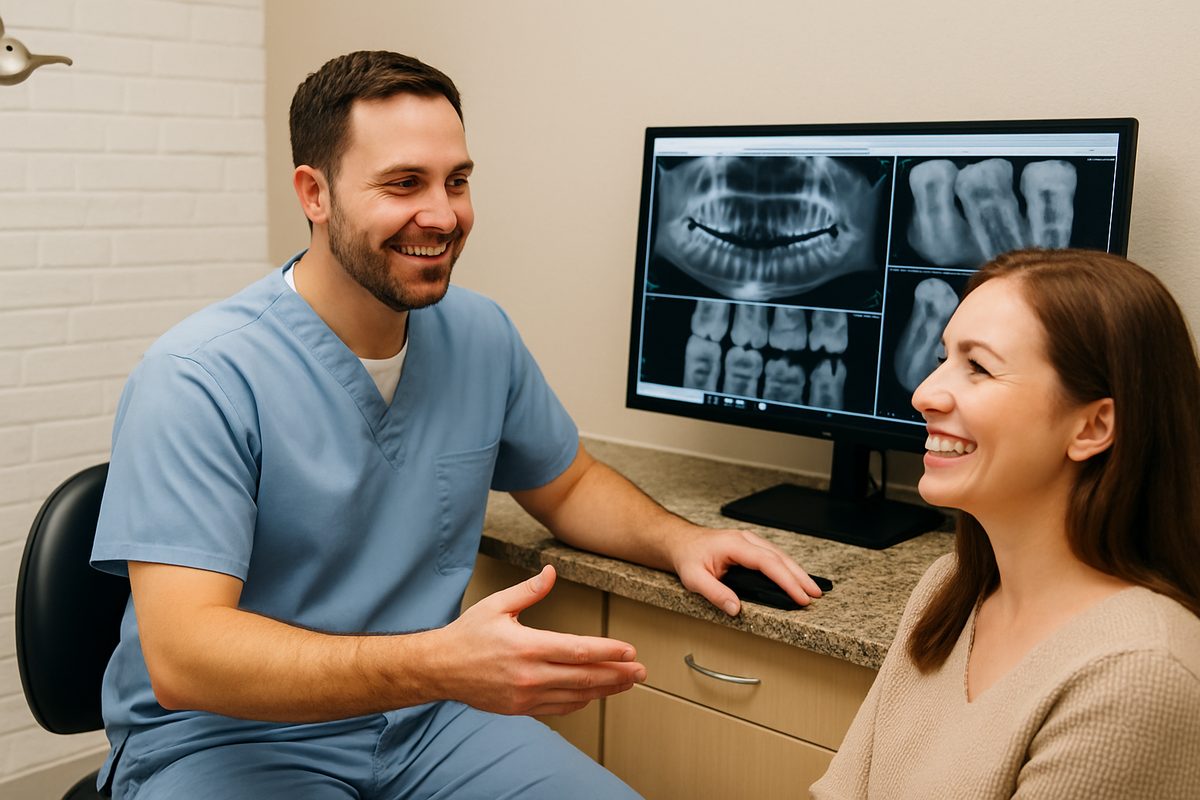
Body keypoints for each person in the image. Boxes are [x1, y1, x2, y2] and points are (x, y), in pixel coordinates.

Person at [89, 50, 823, 799]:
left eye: (458, 181)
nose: (443, 215)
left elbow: (565, 484)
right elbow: (186, 660)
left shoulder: (478, 333)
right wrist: (438, 662)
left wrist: (681, 541)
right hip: (231, 736)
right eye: (404, 183)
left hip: (425, 720)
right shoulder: (198, 377)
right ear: (315, 193)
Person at [811, 248, 1200, 798]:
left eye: (978, 367)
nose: (923, 394)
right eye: (943, 358)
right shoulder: (948, 591)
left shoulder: (1138, 674)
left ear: (1092, 427)